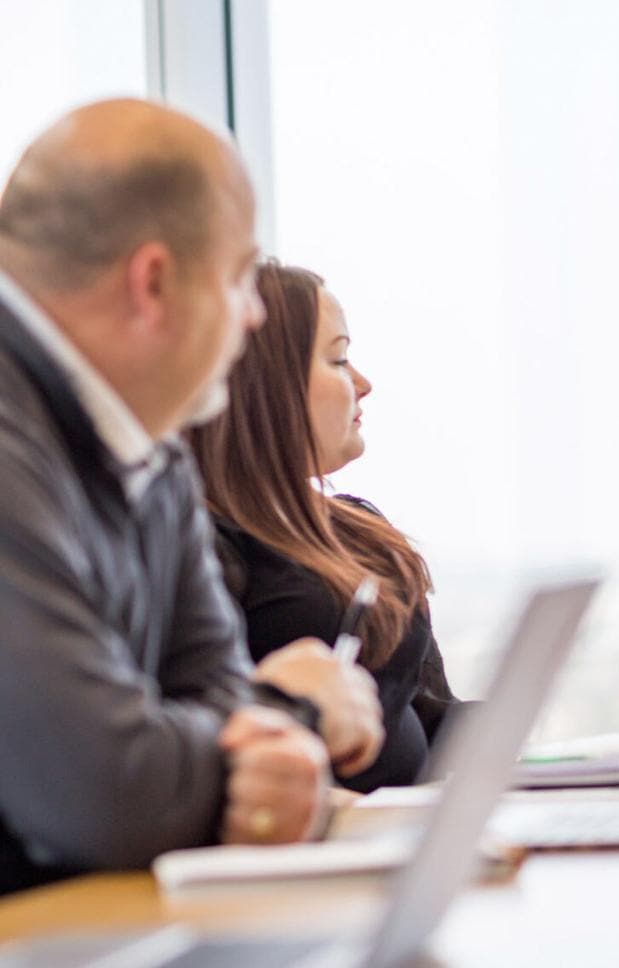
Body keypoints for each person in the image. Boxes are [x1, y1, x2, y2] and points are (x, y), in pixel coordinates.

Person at [0, 99, 384, 895]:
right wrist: (293, 712)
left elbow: (211, 691)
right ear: (154, 283)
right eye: (242, 279)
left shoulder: (152, 452)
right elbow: (105, 789)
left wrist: (254, 730)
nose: (252, 318)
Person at [187, 261, 464, 793]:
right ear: (264, 386)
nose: (363, 383)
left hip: (403, 831)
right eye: (337, 359)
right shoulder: (203, 549)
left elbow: (431, 717)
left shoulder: (362, 530)